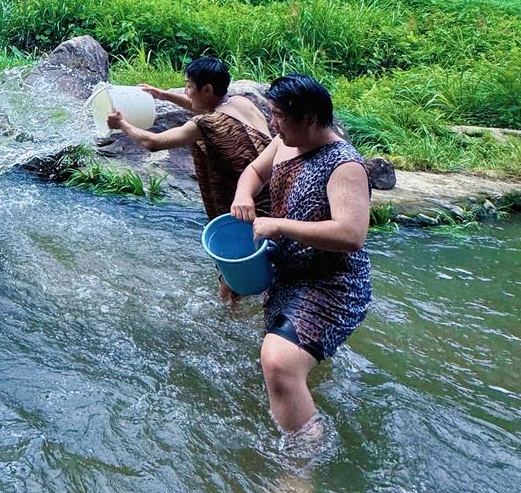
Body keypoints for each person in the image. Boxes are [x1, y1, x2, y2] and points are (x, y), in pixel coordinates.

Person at [230, 74, 371, 436]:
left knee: (277, 363)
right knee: (281, 353)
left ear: (309, 118)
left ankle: (302, 463)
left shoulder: (345, 165)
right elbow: (253, 171)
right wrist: (243, 195)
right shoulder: (283, 142)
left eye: (278, 115)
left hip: (331, 285)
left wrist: (278, 225)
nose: (271, 124)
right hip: (289, 272)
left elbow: (351, 234)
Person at [106, 57, 272, 300]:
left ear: (207, 89)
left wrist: (122, 124)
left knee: (231, 279)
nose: (186, 91)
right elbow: (209, 108)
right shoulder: (243, 103)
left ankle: (226, 324)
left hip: (243, 210)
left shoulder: (205, 124)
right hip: (273, 198)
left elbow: (154, 143)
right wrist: (163, 95)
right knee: (267, 268)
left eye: (188, 86)